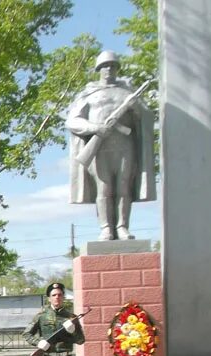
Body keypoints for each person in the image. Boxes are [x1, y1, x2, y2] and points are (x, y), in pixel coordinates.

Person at [66, 50, 156, 241]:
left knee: (124, 187)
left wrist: (136, 106)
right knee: (104, 188)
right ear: (99, 69)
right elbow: (72, 121)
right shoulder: (88, 94)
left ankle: (122, 226)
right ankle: (106, 228)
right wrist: (95, 127)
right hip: (99, 147)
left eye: (113, 66)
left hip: (124, 145)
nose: (109, 69)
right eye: (105, 66)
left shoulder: (128, 92)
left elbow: (147, 118)